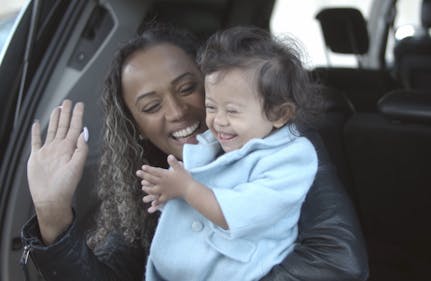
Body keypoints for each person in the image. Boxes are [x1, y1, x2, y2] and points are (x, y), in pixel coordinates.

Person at [21, 23, 369, 281]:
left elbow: (338, 261)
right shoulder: (147, 177)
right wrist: (52, 213)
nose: (176, 112)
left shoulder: (285, 145)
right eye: (151, 105)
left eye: (189, 88)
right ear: (136, 126)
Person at [138, 26, 320, 281]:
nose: (218, 121)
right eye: (211, 107)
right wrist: (170, 195)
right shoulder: (214, 143)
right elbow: (199, 190)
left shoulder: (293, 158)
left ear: (279, 114)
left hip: (235, 271)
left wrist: (187, 190)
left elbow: (239, 212)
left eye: (232, 111)